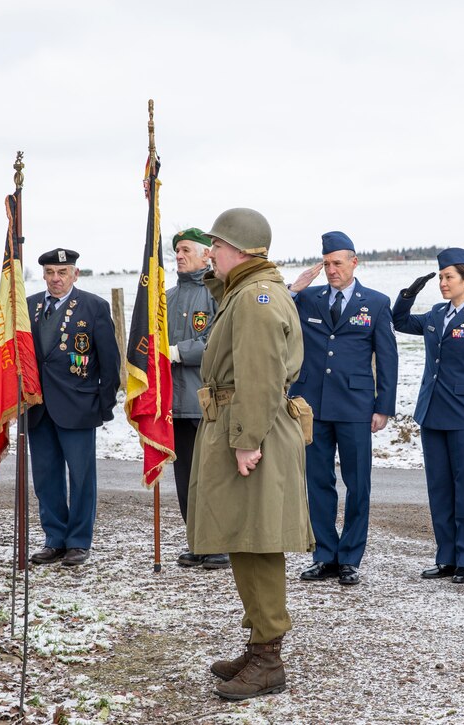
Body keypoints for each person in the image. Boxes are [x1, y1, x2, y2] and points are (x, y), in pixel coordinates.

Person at [187, 208, 314, 701]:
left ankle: (268, 661)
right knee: (245, 536)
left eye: (216, 245)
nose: (209, 253)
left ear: (240, 249)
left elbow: (260, 378)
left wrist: (247, 442)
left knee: (258, 542)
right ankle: (261, 643)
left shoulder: (257, 299)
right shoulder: (244, 292)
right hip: (243, 423)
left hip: (249, 427)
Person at [287, 231, 398, 586]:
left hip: (355, 406)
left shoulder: (376, 303)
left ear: (354, 262)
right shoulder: (307, 299)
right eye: (326, 263)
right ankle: (325, 555)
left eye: (338, 262)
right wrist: (294, 288)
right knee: (318, 482)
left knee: (358, 483)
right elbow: (277, 316)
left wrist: (384, 406)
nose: (332, 270)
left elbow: (388, 358)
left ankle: (350, 557)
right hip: (313, 406)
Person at [392, 248, 464, 584]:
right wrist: (409, 294)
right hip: (433, 413)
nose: (443, 282)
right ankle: (446, 557)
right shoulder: (436, 314)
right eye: (440, 277)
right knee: (439, 488)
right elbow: (399, 322)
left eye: (448, 277)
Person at [26, 248, 120, 567]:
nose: (55, 279)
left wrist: (103, 405)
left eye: (62, 272)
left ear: (75, 274)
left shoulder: (93, 307)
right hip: (38, 407)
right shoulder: (29, 307)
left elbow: (109, 363)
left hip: (78, 405)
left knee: (81, 477)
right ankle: (54, 539)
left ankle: (78, 541)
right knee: (46, 476)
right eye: (50, 272)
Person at [166, 227, 228, 570]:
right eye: (176, 250)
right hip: (174, 404)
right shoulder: (166, 298)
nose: (179, 255)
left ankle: (220, 543)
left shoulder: (217, 294)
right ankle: (198, 541)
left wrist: (178, 352)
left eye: (186, 249)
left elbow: (219, 341)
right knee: (186, 476)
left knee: (212, 476)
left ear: (207, 254)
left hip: (207, 400)